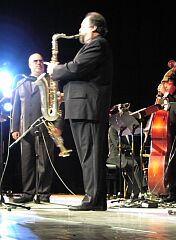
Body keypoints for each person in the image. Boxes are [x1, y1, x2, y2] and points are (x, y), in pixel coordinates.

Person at [46, 12, 113, 211]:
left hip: (88, 109)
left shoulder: (97, 44)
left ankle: (92, 199)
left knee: (91, 155)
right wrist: (66, 95)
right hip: (82, 107)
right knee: (88, 155)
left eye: (83, 26)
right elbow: (85, 77)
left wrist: (55, 70)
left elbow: (77, 68)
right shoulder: (92, 46)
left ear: (93, 28)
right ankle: (96, 200)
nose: (79, 31)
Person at [11, 53, 63, 203]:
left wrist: (58, 125)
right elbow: (16, 108)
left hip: (46, 127)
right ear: (29, 64)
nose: (39, 63)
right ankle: (28, 193)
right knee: (26, 162)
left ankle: (43, 194)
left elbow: (58, 105)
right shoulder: (20, 83)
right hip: (25, 128)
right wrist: (14, 128)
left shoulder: (51, 81)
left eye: (41, 61)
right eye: (35, 61)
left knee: (45, 163)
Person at [107, 103, 147, 199]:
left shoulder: (125, 129)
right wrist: (130, 149)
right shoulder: (112, 129)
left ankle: (135, 192)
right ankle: (143, 190)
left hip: (125, 155)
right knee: (135, 164)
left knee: (136, 162)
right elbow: (118, 145)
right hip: (116, 156)